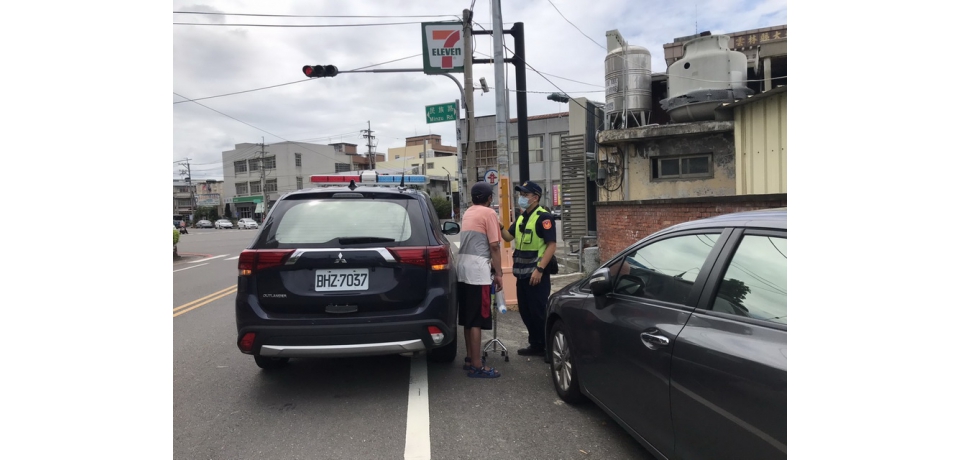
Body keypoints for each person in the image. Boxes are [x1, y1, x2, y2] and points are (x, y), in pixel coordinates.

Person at [500, 181, 557, 356]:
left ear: (535, 197)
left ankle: (548, 348)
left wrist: (540, 269)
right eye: (521, 194)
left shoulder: (544, 217)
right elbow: (508, 236)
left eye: (525, 195)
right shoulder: (521, 217)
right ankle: (535, 344)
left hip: (536, 274)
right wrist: (499, 226)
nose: (522, 197)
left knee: (539, 312)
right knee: (526, 312)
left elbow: (551, 245)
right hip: (522, 274)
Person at [455, 181, 503, 378]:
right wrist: (499, 273)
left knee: (468, 318)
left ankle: (469, 358)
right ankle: (477, 365)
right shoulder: (489, 213)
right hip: (478, 271)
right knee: (476, 319)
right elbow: (494, 246)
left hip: (462, 268)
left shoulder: (468, 212)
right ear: (490, 198)